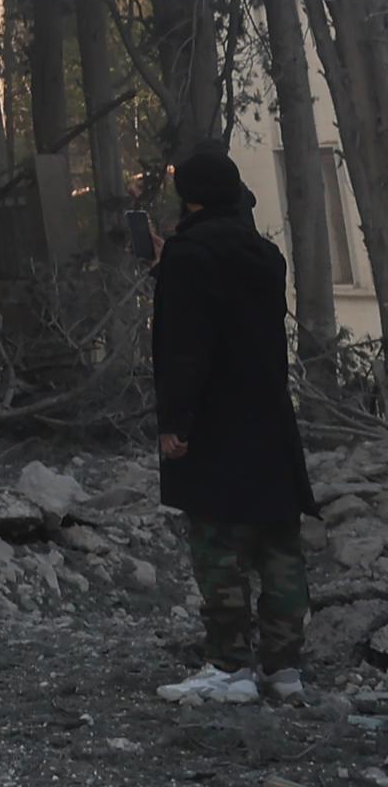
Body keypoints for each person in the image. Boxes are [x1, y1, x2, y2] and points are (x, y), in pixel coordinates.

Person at [154, 146, 316, 705]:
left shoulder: (188, 254)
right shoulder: (266, 254)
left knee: (219, 546)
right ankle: (283, 666)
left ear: (190, 196)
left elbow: (186, 348)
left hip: (215, 424)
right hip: (271, 419)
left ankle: (228, 665)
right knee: (279, 545)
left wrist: (175, 422)